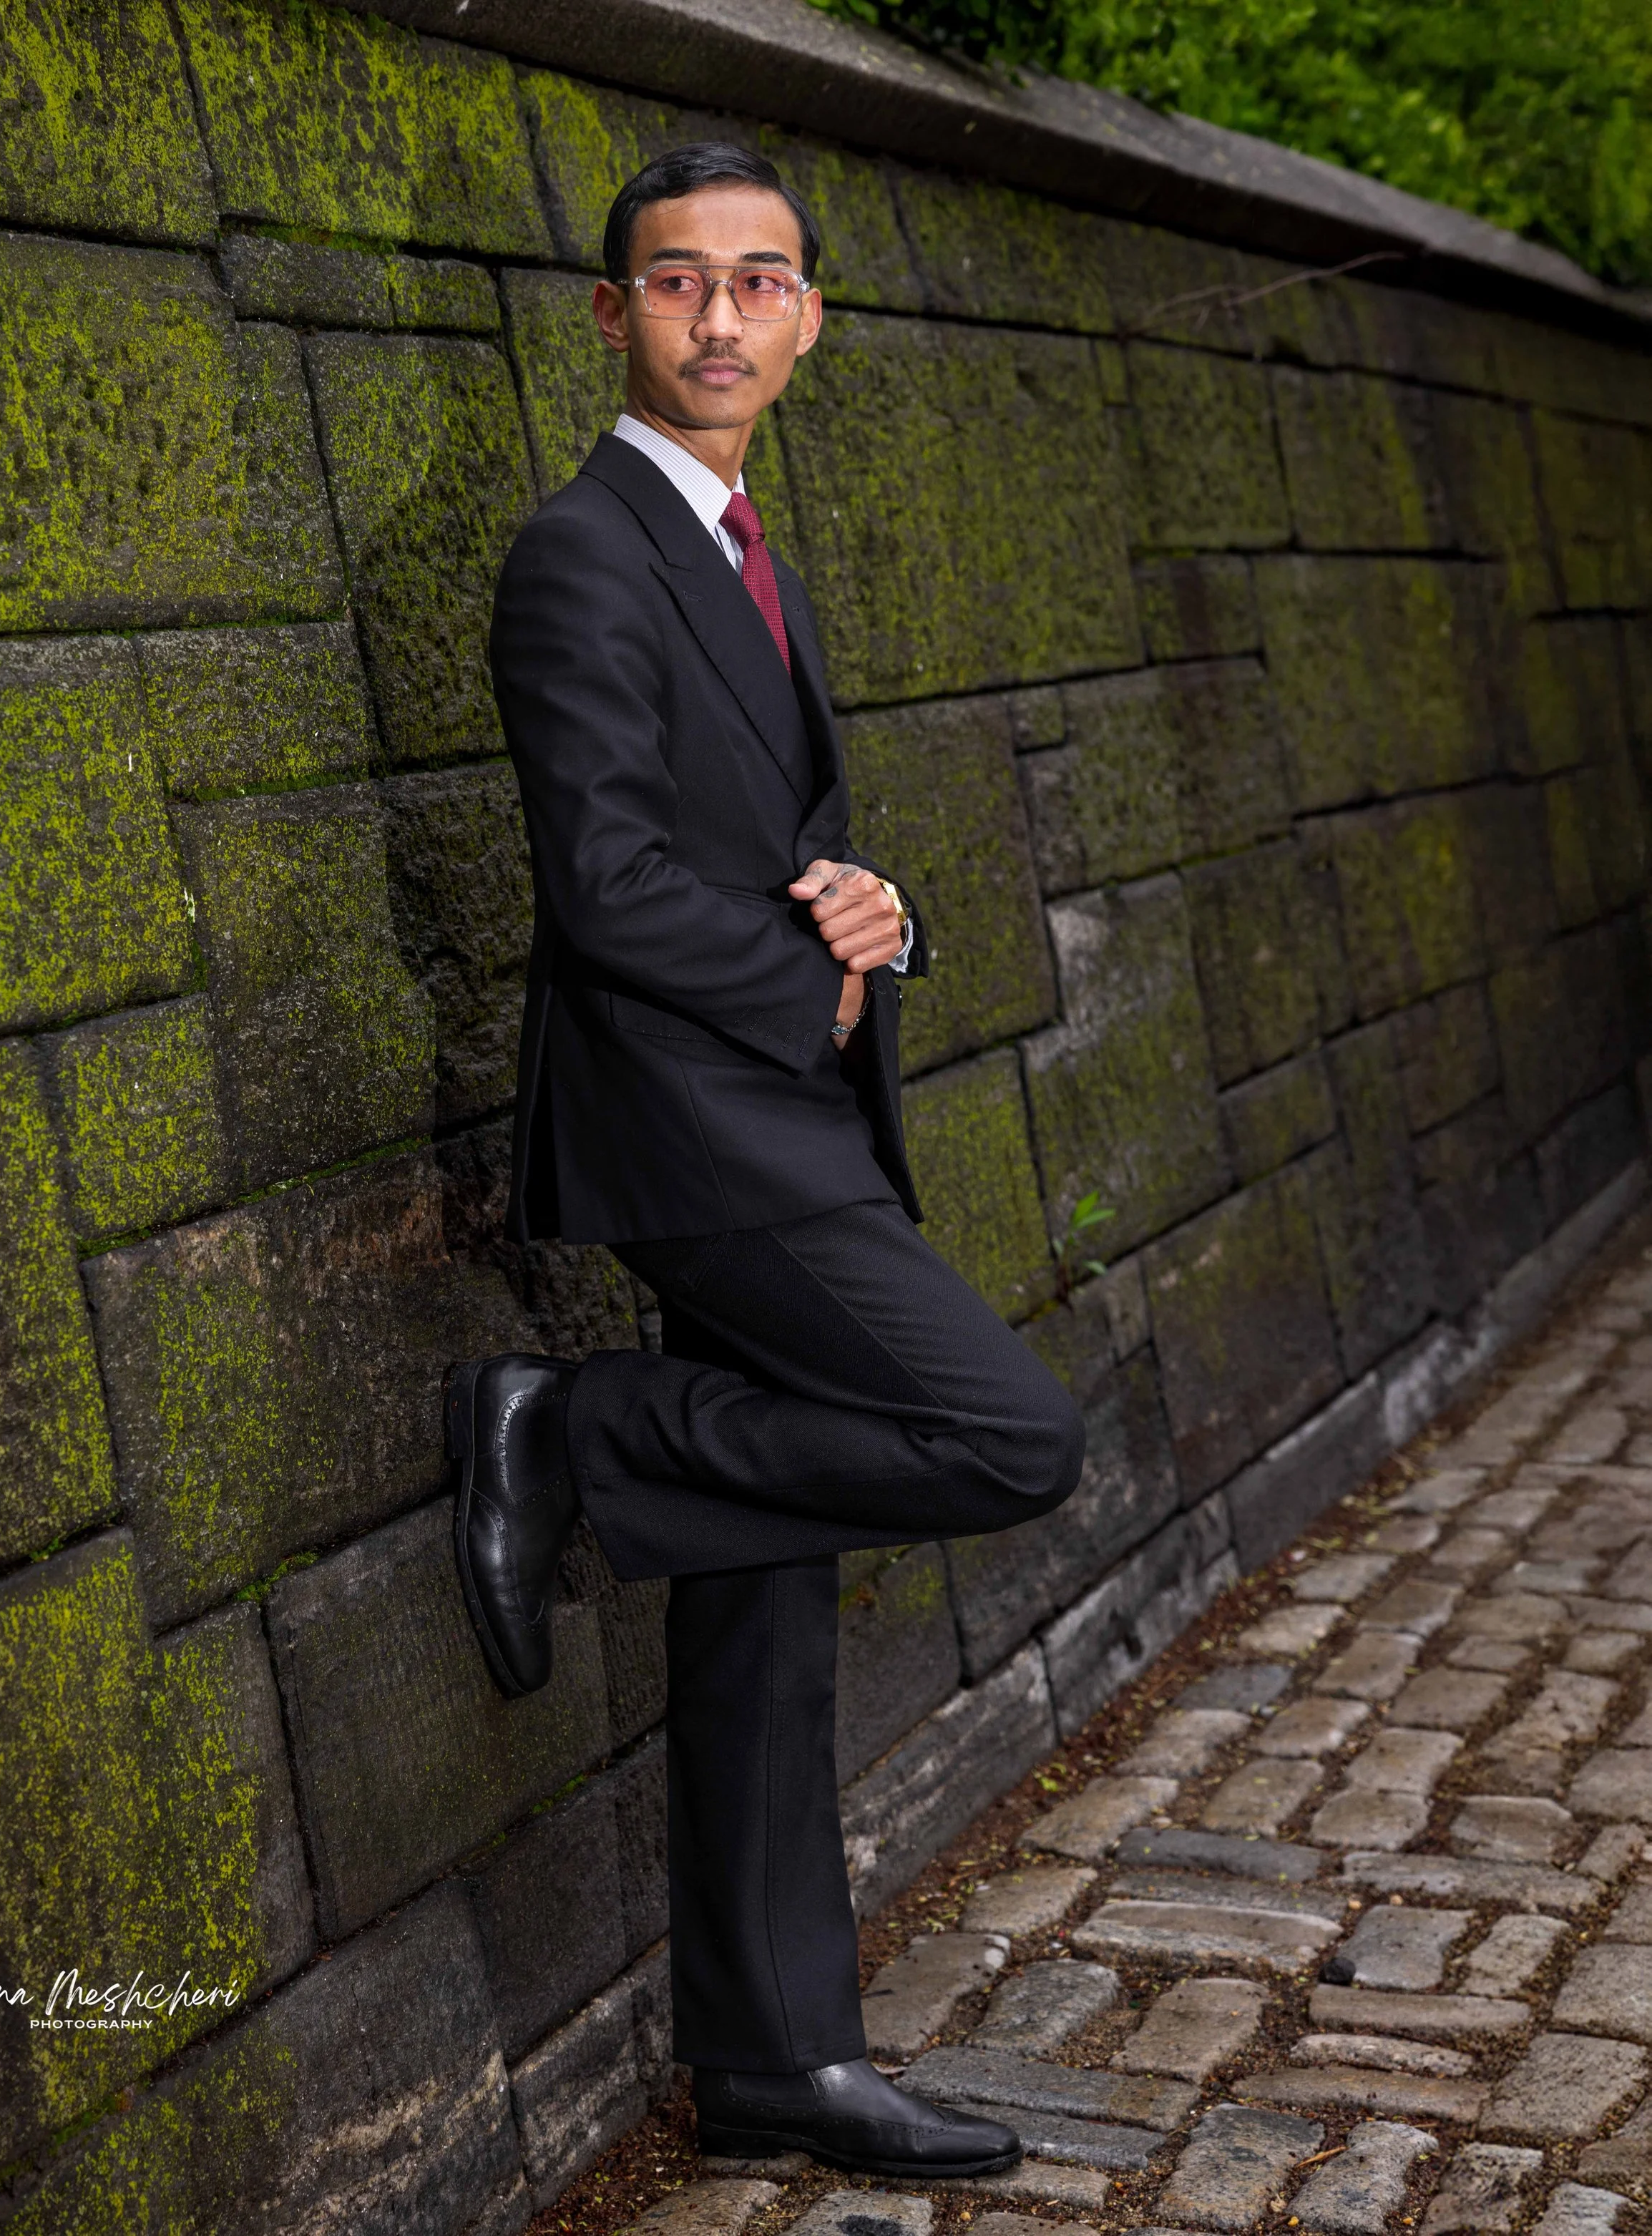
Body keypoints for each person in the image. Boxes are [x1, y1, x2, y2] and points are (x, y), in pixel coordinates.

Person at [454, 141, 1086, 2177]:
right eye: (675, 281)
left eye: (759, 281)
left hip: (771, 1103)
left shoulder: (745, 551)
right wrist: (804, 988)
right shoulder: (581, 550)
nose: (719, 316)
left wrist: (869, 912)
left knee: (763, 1570)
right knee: (1007, 1434)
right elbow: (604, 880)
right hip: (704, 1126)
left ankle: (770, 2053)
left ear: (806, 316)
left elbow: (756, 855)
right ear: (611, 316)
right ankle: (578, 1426)